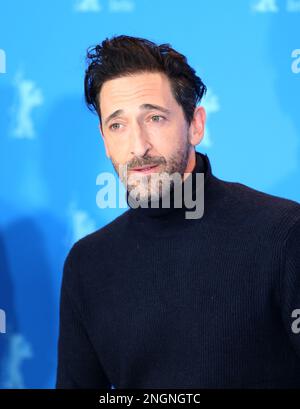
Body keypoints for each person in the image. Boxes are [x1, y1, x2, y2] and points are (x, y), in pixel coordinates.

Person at [56, 34, 300, 388]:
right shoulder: (87, 264)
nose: (138, 147)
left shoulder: (283, 233)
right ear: (105, 141)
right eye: (118, 125)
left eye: (154, 118)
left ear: (196, 124)